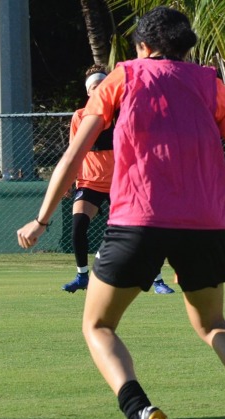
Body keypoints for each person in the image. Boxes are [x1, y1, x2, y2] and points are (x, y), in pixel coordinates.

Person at [17, 7, 225, 419]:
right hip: (205, 225)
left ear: (141, 46)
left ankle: (140, 410)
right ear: (187, 48)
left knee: (98, 326)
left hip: (139, 220)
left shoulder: (124, 76)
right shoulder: (211, 85)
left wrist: (41, 218)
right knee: (214, 324)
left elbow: (75, 153)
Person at [62, 65, 175, 295]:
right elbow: (74, 153)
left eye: (103, 85)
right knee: (78, 228)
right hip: (90, 183)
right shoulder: (80, 117)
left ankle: (157, 280)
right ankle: (82, 276)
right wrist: (68, 181)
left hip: (122, 184)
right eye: (94, 87)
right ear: (88, 92)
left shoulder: (123, 115)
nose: (99, 90)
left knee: (144, 230)